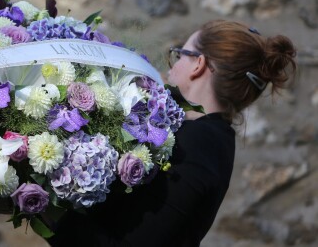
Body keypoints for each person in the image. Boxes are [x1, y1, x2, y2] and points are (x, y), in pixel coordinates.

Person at [45, 20, 297, 247]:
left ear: (198, 64)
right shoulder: (210, 137)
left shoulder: (197, 143)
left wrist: (44, 203)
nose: (171, 68)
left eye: (179, 55)